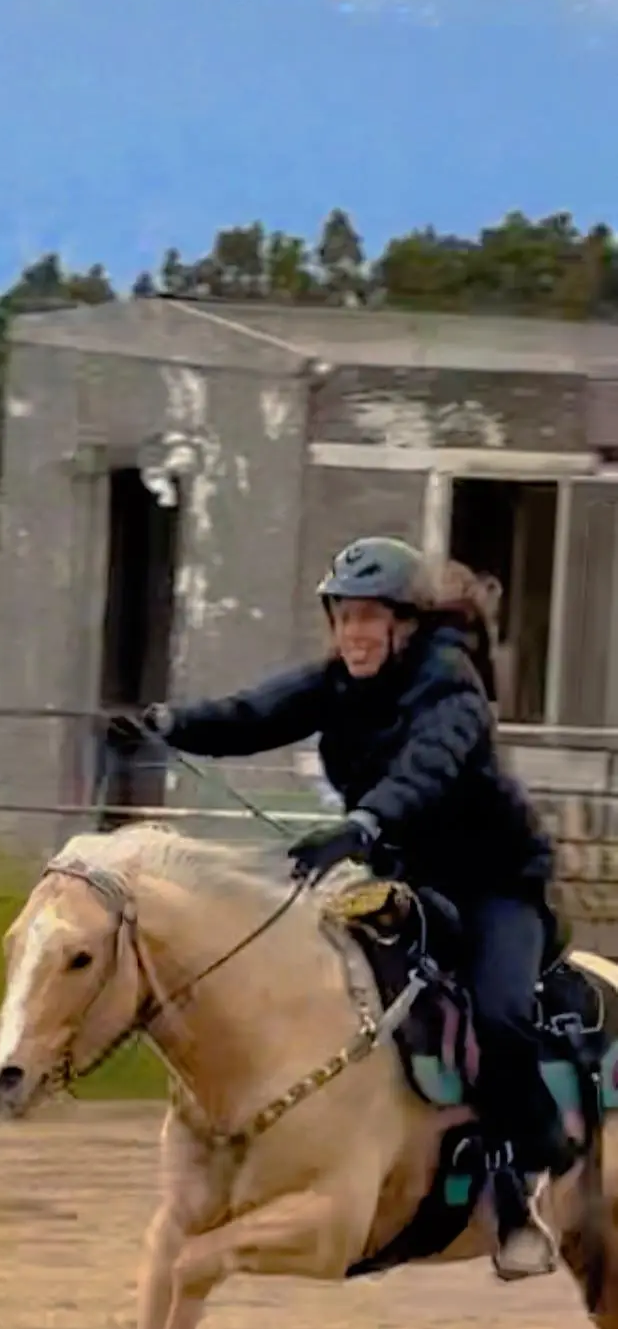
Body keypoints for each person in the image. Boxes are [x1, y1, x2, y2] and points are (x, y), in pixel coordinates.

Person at [110, 534, 566, 1282]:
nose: (352, 633)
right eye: (343, 617)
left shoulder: (450, 687)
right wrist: (165, 725)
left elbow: (426, 771)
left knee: (498, 1013)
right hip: (403, 874)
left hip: (493, 885)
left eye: (367, 618)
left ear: (404, 625)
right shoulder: (339, 682)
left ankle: (520, 1188)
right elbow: (254, 713)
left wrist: (363, 826)